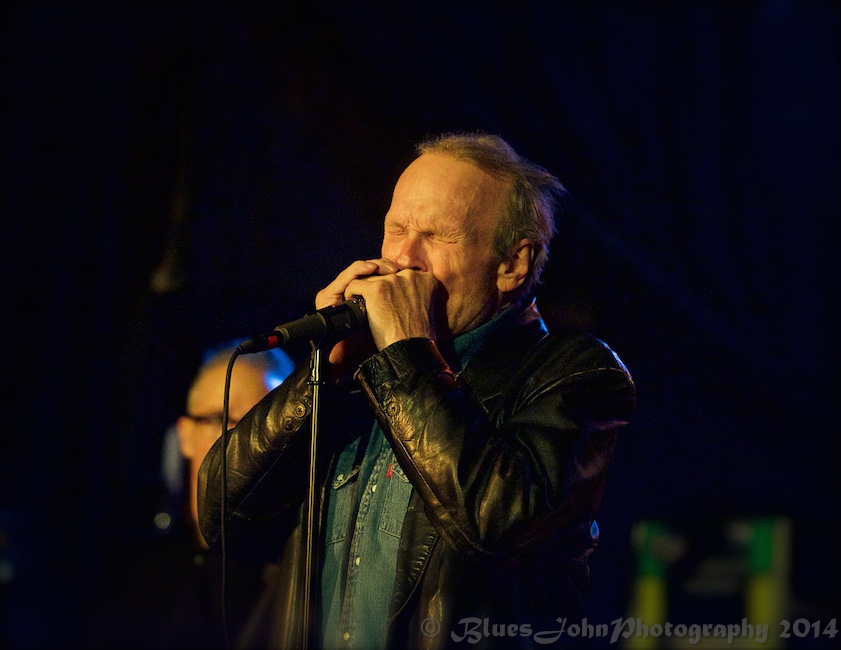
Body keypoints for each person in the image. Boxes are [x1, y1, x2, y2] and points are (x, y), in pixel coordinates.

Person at [198, 132, 637, 649]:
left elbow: (497, 526)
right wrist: (324, 377)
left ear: (513, 264)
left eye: (436, 235)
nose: (404, 257)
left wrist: (407, 352)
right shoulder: (356, 376)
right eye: (397, 228)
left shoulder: (576, 374)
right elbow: (221, 520)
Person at [90, 340, 295, 649]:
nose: (241, 443)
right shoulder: (136, 571)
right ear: (185, 434)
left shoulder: (298, 575)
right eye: (220, 420)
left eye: (262, 428)